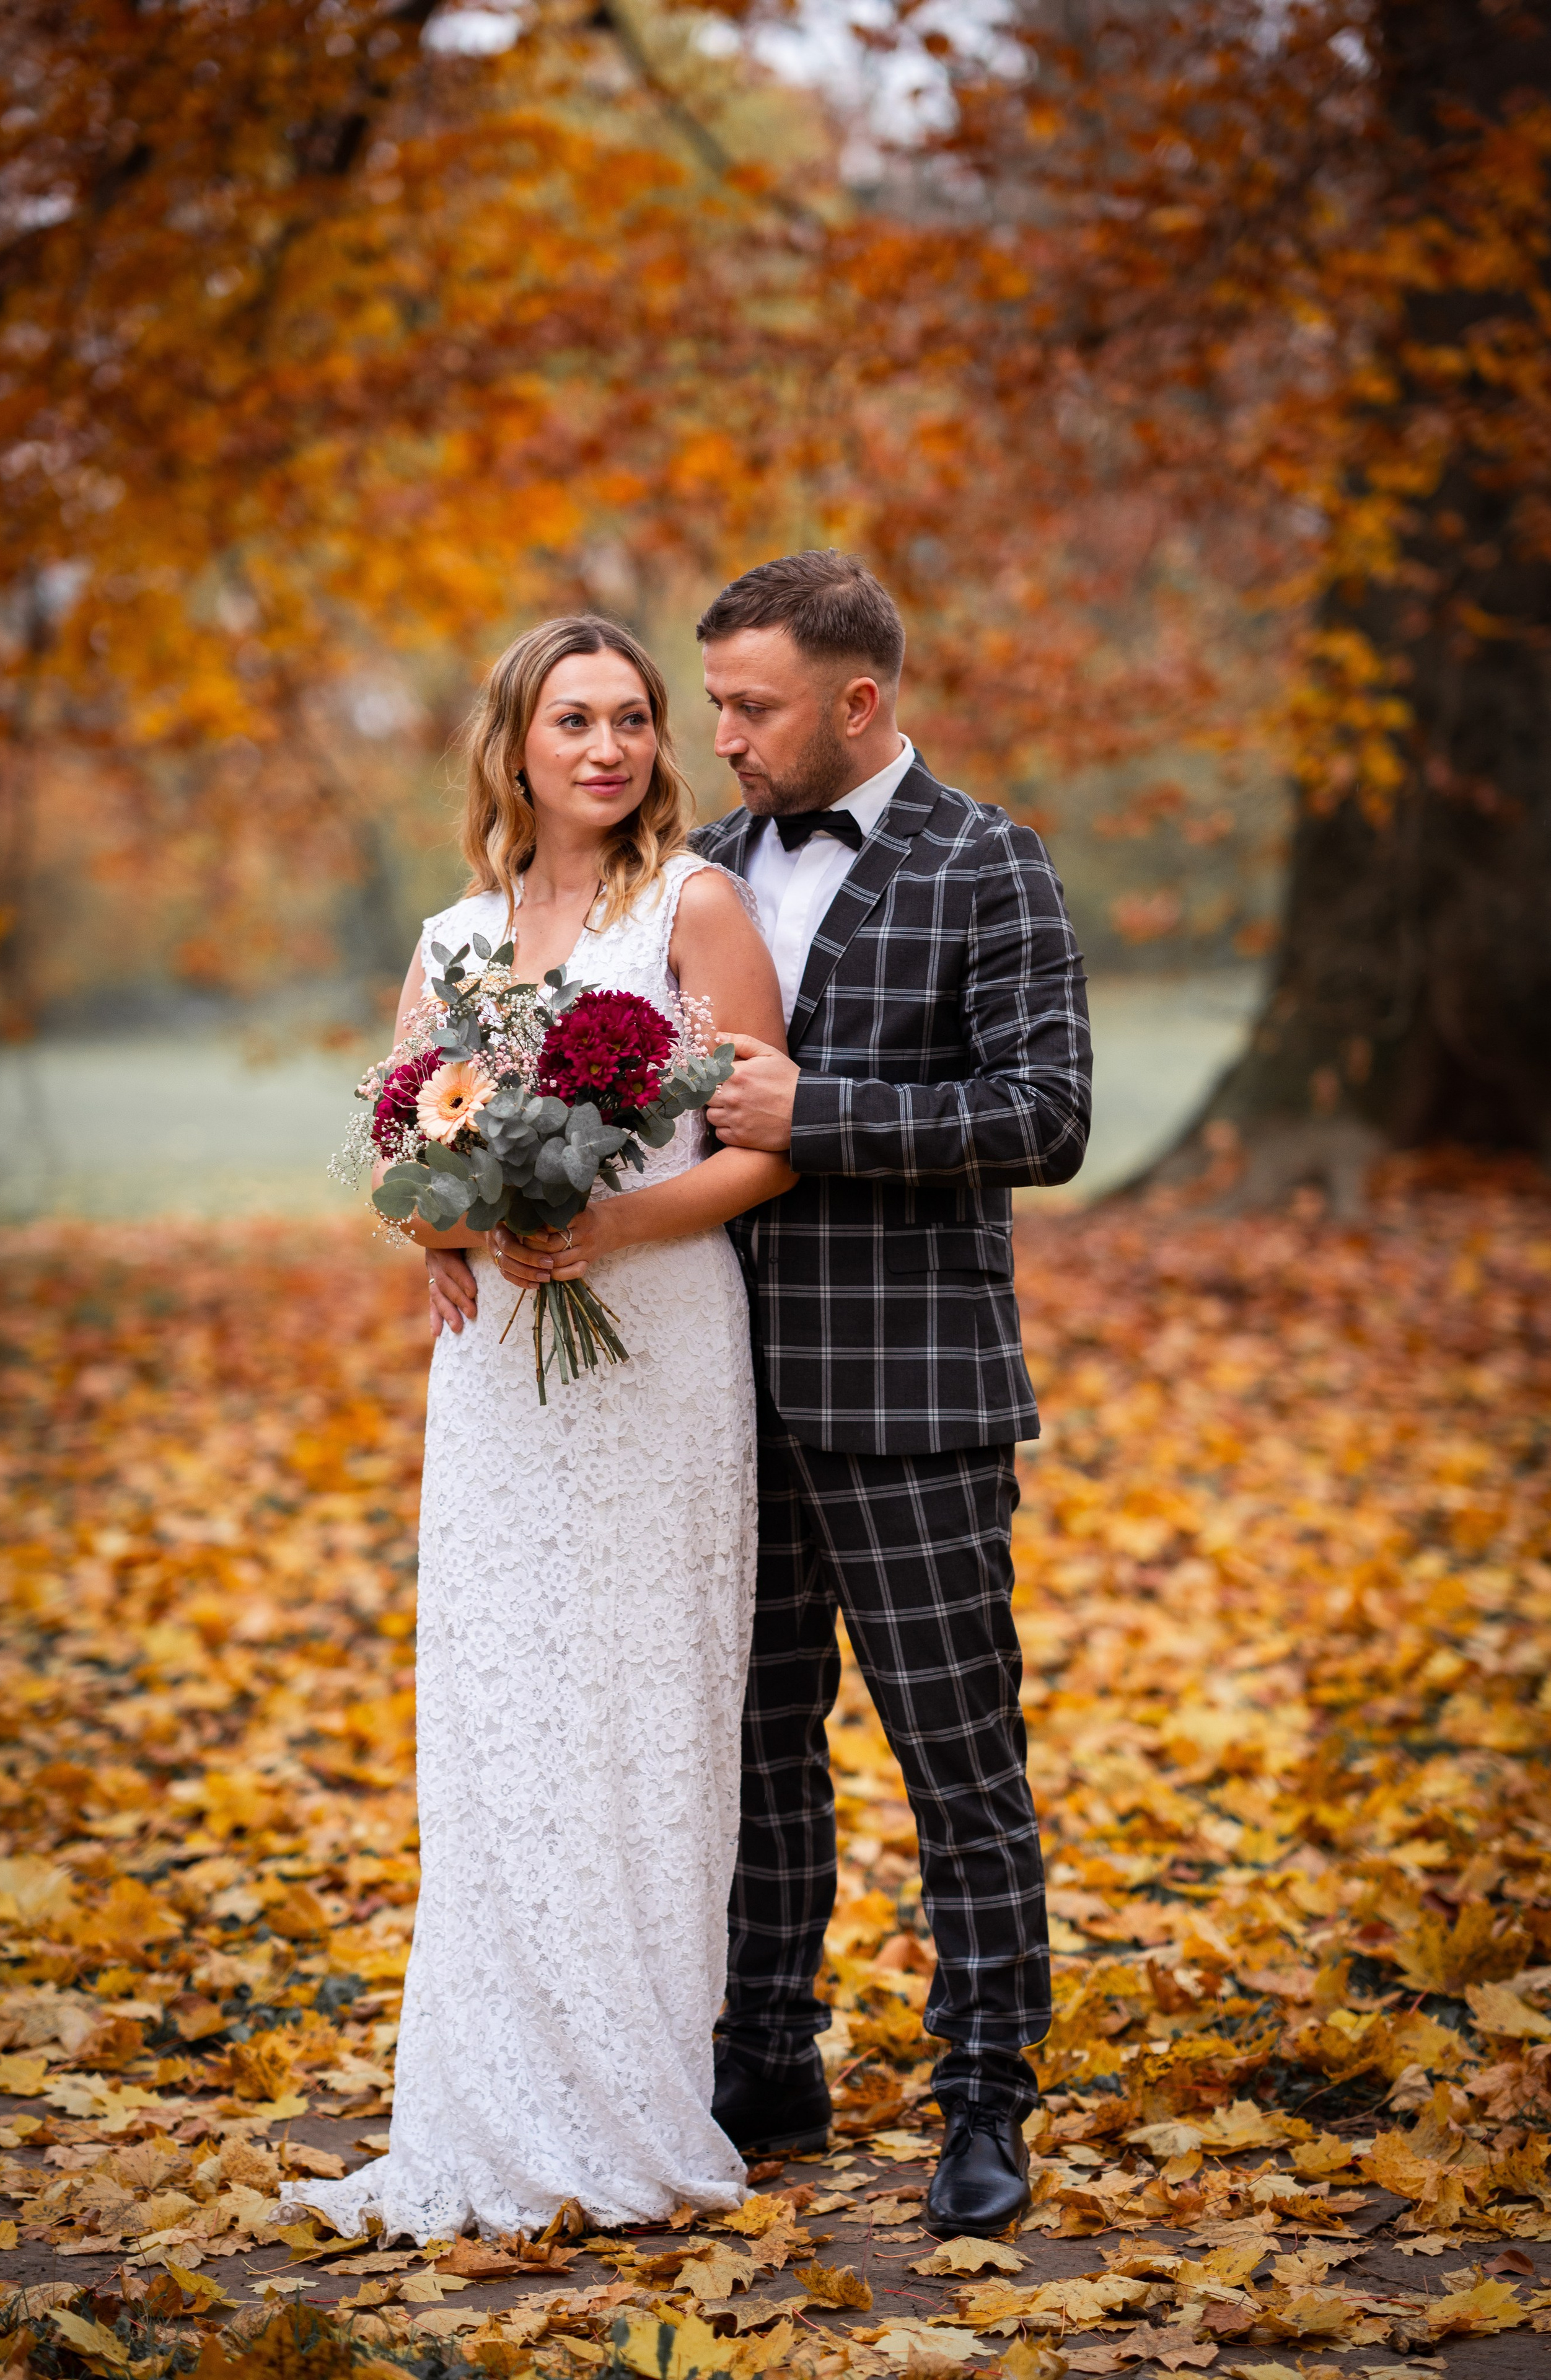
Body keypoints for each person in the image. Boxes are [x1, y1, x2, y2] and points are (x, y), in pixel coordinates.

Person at [430, 553, 1091, 2239]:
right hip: (704, 1392)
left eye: (747, 706)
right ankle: (767, 2057)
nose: (712, 735)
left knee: (958, 1755)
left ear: (858, 701)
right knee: (751, 1749)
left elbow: (1049, 1117)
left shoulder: (987, 863)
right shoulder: (699, 866)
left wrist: (824, 1117)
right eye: (704, 703)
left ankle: (984, 2097)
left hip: (910, 1385)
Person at [291, 615, 794, 2242]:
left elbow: (767, 1144)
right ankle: (491, 2099)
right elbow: (392, 1136)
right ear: (515, 745)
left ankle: (643, 2096)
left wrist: (614, 1231)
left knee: (649, 1708)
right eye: (574, 719)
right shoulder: (452, 941)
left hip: (660, 1344)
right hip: (502, 1375)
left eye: (635, 719)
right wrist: (442, 1224)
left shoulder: (691, 908)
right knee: (505, 1714)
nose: (610, 747)